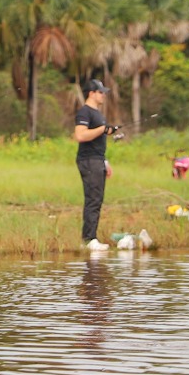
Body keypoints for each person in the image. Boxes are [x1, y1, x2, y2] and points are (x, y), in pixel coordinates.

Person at [74, 79, 112, 252]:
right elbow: (80, 136)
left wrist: (105, 161)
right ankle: (89, 239)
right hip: (88, 161)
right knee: (93, 199)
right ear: (92, 93)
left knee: (97, 199)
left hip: (97, 160)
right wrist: (103, 129)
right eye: (101, 92)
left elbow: (98, 140)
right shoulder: (84, 112)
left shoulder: (98, 113)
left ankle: (91, 237)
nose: (103, 95)